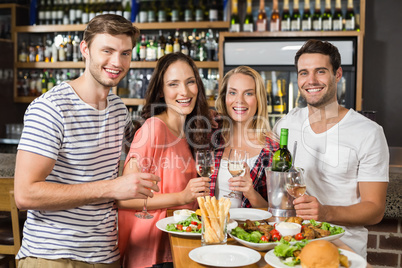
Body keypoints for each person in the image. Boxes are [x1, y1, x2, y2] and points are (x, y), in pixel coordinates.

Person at [14, 14, 160, 267]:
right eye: (107, 50)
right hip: (54, 256)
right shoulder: (51, 108)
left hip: (106, 255)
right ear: (85, 49)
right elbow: (25, 194)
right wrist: (113, 187)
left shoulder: (117, 108)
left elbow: (140, 149)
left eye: (125, 53)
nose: (117, 62)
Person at [273, 39, 389, 258]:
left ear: (337, 74)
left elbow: (375, 209)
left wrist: (325, 212)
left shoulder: (368, 132)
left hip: (343, 248)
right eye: (304, 73)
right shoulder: (286, 125)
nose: (311, 80)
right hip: (290, 244)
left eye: (320, 71)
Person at [117, 52, 212, 268]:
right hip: (151, 254)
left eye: (190, 82)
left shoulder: (188, 133)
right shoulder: (153, 129)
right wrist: (182, 196)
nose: (184, 92)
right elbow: (122, 198)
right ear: (161, 91)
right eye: (173, 84)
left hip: (178, 247)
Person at [209, 66, 279, 208]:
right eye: (233, 92)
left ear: (258, 99)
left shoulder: (272, 149)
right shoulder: (211, 136)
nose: (239, 100)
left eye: (248, 93)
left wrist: (250, 192)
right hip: (211, 228)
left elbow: (277, 214)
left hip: (249, 229)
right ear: (224, 97)